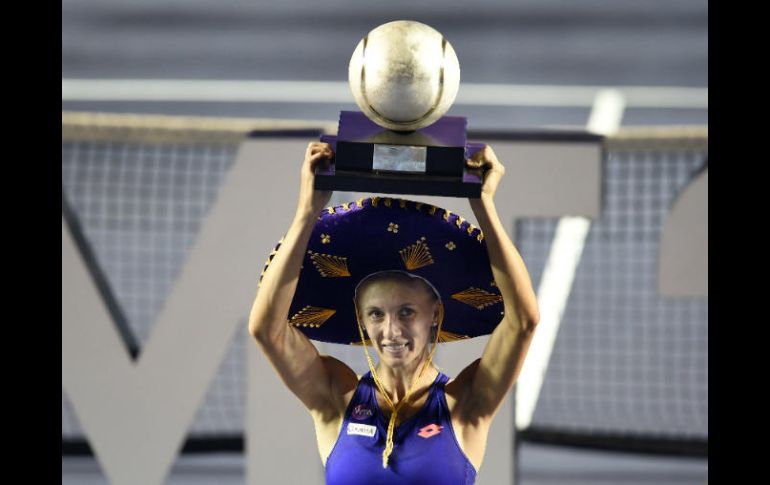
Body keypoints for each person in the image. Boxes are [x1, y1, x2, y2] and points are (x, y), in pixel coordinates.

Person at [249, 141, 540, 484]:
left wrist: (483, 205)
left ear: (435, 314)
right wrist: (306, 213)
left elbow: (523, 322)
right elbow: (267, 330)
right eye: (376, 314)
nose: (391, 330)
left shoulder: (465, 404)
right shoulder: (335, 398)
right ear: (361, 320)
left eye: (406, 312)